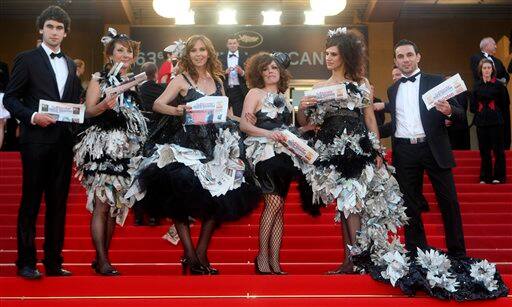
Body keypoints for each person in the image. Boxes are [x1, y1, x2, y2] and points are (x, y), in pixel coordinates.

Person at [379, 39, 508, 299]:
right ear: (395, 60)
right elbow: (396, 124)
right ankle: (417, 254)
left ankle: (458, 255)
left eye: (408, 55)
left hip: (433, 147)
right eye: (399, 56)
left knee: (448, 202)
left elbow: (461, 114)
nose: (404, 60)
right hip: (405, 151)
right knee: (410, 207)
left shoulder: (435, 81)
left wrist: (449, 110)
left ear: (418, 56)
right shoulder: (393, 89)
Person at [127, 35, 259, 275]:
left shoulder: (219, 81)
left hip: (215, 147)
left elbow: (226, 114)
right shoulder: (180, 79)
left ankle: (200, 254)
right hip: (187, 145)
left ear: (209, 52)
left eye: (203, 50)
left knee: (219, 199)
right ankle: (190, 255)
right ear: (188, 55)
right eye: (194, 50)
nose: (199, 54)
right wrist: (178, 110)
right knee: (179, 196)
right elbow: (158, 104)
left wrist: (247, 119)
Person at [297, 27, 395, 275]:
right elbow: (306, 121)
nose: (328, 58)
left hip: (357, 146)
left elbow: (369, 117)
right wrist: (302, 106)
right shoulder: (319, 86)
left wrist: (376, 149)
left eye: (333, 54)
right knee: (344, 204)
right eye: (326, 53)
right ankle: (350, 261)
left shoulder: (360, 83)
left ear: (346, 56)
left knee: (353, 202)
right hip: (330, 148)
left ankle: (360, 259)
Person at [3, 6, 82, 279]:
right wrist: (33, 116)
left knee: (58, 204)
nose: (55, 32)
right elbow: (10, 99)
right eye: (50, 26)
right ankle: (25, 262)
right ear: (41, 29)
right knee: (31, 202)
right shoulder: (26, 59)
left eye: (60, 28)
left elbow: (74, 103)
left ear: (65, 33)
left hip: (62, 142)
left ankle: (53, 262)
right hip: (35, 140)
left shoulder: (71, 64)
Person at [73, 28, 148, 276]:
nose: (125, 55)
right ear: (109, 54)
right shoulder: (99, 79)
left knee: (115, 206)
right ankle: (103, 261)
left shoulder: (134, 83)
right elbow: (89, 111)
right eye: (120, 50)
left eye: (129, 51)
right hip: (103, 145)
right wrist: (106, 104)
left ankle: (101, 258)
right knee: (101, 204)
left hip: (128, 149)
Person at [240, 52, 314, 275]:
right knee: (273, 205)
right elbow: (245, 125)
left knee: (279, 208)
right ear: (259, 73)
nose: (271, 71)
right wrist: (267, 134)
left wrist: (304, 130)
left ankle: (274, 260)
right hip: (263, 155)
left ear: (280, 71)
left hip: (284, 158)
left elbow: (286, 131)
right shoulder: (255, 93)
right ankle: (262, 257)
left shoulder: (284, 96)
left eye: (274, 67)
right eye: (265, 68)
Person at [133, 61, 165, 226]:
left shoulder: (136, 90)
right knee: (155, 173)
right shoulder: (162, 89)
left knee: (140, 174)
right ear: (156, 73)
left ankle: (138, 215)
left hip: (139, 138)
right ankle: (154, 215)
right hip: (159, 136)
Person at [470, 58, 508, 184]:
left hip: (496, 121)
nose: (486, 70)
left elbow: (505, 104)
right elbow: (472, 107)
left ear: (492, 70)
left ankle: (499, 176)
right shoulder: (476, 85)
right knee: (484, 150)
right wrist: (480, 108)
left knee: (498, 150)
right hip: (481, 121)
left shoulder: (499, 85)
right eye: (484, 68)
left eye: (488, 68)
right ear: (481, 70)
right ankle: (485, 177)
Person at [220, 35, 248, 118]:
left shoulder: (245, 57)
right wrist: (224, 73)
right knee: (223, 115)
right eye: (230, 43)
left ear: (238, 44)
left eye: (234, 43)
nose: (232, 45)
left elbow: (250, 75)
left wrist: (242, 72)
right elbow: (215, 75)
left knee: (239, 115)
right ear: (227, 45)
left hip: (239, 90)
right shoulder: (220, 58)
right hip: (225, 90)